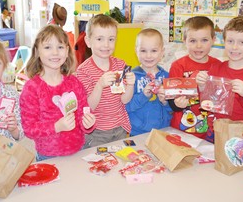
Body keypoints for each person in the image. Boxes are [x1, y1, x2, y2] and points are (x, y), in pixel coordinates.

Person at [196, 16, 243, 159]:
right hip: (216, 137)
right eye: (230, 41)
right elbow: (207, 103)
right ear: (224, 42)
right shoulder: (216, 68)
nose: (234, 47)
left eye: (242, 42)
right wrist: (202, 86)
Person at [20, 24, 96, 161]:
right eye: (48, 47)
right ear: (37, 51)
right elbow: (29, 129)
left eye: (60, 47)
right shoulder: (32, 88)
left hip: (78, 150)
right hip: (48, 156)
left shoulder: (74, 83)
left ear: (67, 51)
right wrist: (56, 126)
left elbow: (83, 114)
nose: (55, 53)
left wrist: (88, 123)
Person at [76, 14, 135, 148]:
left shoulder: (120, 65)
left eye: (111, 39)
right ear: (88, 41)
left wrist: (130, 84)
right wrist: (100, 85)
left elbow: (124, 100)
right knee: (99, 165)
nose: (106, 44)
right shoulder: (83, 71)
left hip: (119, 128)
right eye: (99, 39)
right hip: (96, 132)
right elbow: (89, 106)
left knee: (120, 162)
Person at [169, 16, 221, 142]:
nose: (198, 46)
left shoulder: (218, 66)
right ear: (184, 41)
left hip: (210, 132)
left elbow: (220, 99)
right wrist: (177, 104)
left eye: (204, 40)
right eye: (192, 41)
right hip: (182, 130)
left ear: (213, 40)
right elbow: (171, 100)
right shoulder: (178, 66)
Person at [126, 28, 172, 136]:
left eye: (154, 51)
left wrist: (165, 101)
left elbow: (172, 109)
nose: (148, 56)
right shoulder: (131, 77)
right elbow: (127, 107)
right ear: (136, 51)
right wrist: (143, 96)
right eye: (143, 51)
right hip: (137, 133)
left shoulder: (167, 77)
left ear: (162, 52)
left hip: (163, 131)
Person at [0, 40, 23, 141]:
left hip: (7, 153)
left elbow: (20, 135)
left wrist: (14, 130)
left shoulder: (11, 94)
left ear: (4, 66)